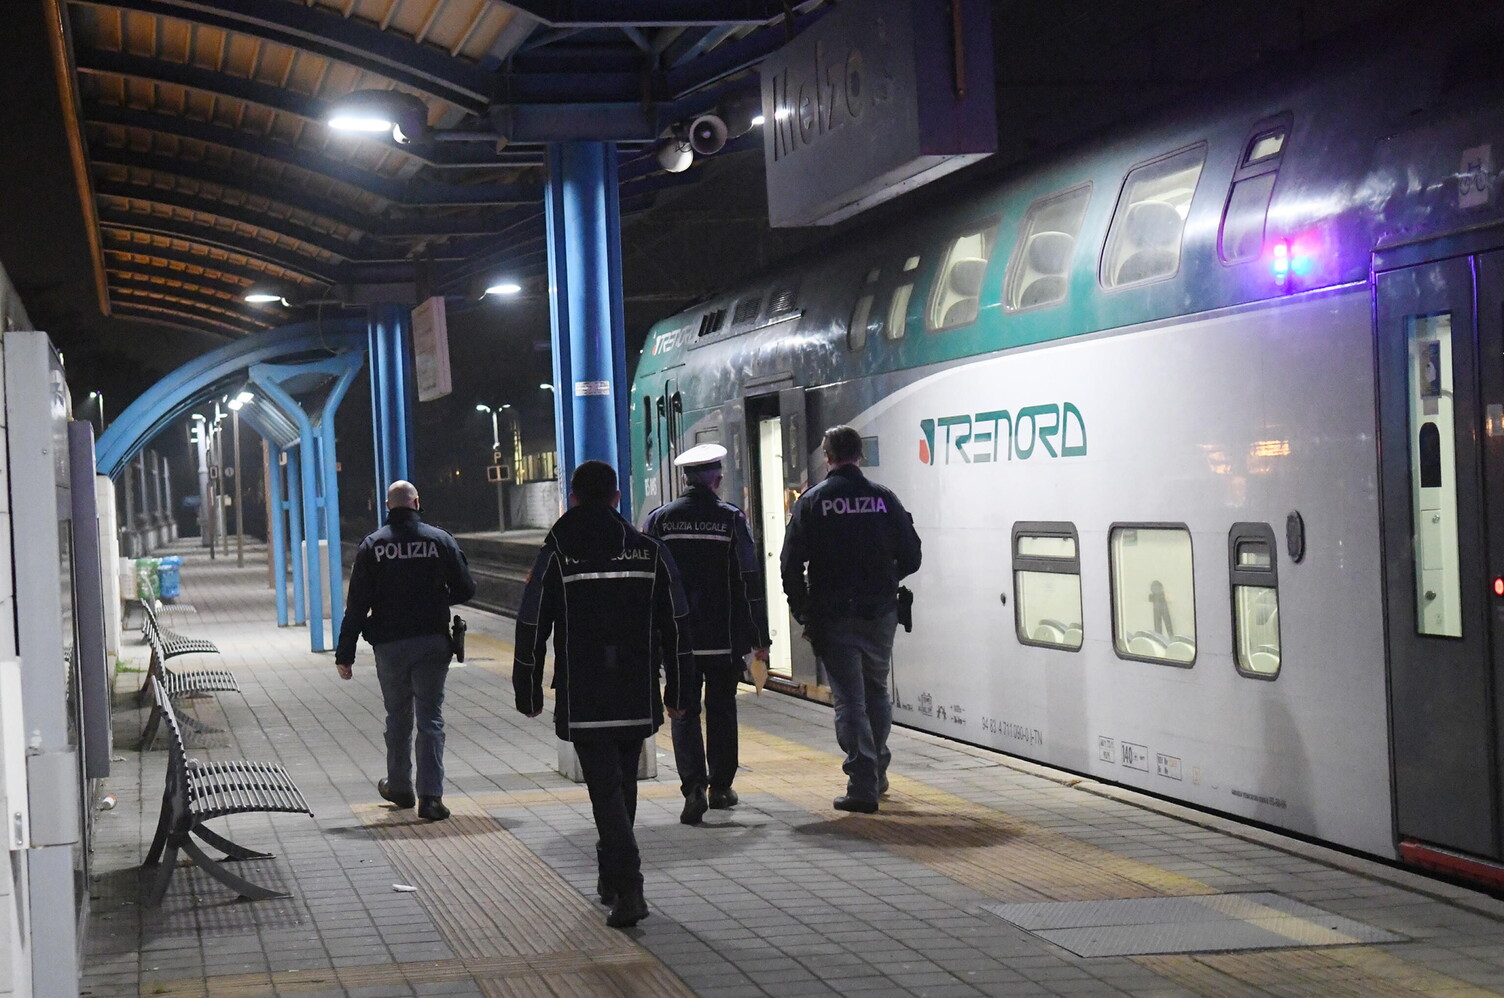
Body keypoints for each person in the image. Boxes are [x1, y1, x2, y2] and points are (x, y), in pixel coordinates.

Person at [513, 460, 693, 928]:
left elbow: (532, 620)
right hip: (634, 690)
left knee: (606, 792)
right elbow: (676, 624)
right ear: (617, 497)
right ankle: (612, 875)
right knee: (622, 786)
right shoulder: (648, 551)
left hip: (584, 692)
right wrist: (678, 687)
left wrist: (527, 686)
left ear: (572, 497)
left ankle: (629, 887)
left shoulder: (557, 552)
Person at [780, 426, 922, 814]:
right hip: (880, 614)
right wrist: (884, 581)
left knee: (850, 699)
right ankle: (876, 772)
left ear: (827, 457)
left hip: (834, 616)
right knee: (876, 690)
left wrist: (804, 610)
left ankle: (862, 784)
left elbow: (790, 566)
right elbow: (912, 556)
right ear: (859, 455)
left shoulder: (812, 502)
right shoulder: (884, 499)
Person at [643, 443, 771, 825]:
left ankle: (693, 788)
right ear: (715, 478)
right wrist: (759, 637)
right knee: (721, 707)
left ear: (685, 479)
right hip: (722, 637)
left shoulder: (660, 521)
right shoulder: (731, 520)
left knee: (683, 710)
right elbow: (749, 581)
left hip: (679, 639)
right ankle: (721, 787)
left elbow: (650, 581)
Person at [336, 480, 476, 822]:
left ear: (388, 505)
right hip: (431, 641)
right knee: (430, 718)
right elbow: (466, 588)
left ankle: (399, 785)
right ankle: (431, 799)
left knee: (397, 715)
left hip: (389, 645)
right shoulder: (440, 540)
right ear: (417, 502)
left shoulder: (373, 546)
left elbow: (356, 605)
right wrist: (433, 598)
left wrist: (345, 653)